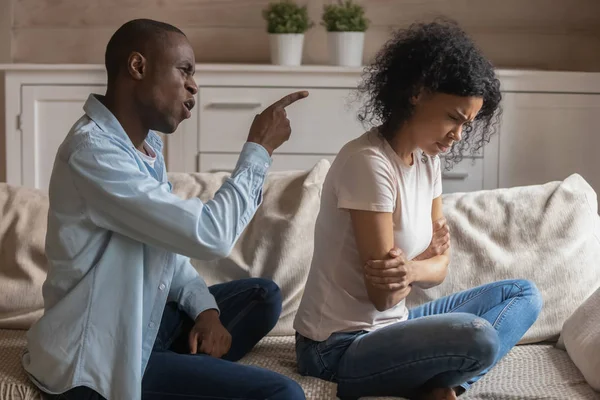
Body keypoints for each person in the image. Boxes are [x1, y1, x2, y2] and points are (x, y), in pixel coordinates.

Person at [22, 18, 308, 400]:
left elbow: (164, 252)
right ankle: (174, 372)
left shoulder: (147, 149)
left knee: (263, 296)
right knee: (282, 394)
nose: (194, 86)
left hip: (142, 320)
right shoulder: (93, 152)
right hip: (99, 359)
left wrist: (206, 312)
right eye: (184, 70)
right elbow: (208, 235)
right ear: (138, 67)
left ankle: (185, 364)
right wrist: (259, 150)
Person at [293, 20, 543, 400]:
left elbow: (439, 270)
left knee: (523, 294)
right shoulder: (369, 163)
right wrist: (424, 264)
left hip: (395, 327)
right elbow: (384, 297)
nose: (458, 135)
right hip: (336, 347)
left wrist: (411, 268)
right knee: (478, 338)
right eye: (453, 118)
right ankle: (437, 382)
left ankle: (446, 387)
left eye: (467, 124)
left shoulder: (428, 162)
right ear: (416, 93)